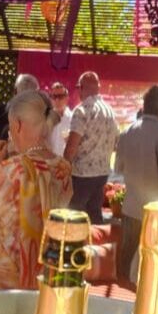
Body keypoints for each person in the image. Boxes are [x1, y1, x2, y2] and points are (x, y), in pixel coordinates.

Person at [0, 90, 72, 290]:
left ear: (18, 125)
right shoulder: (62, 168)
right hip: (45, 275)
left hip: (6, 279)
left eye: (10, 127)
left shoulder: (13, 170)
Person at [114, 85, 158, 284]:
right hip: (155, 208)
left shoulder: (127, 132)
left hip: (130, 205)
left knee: (125, 260)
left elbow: (118, 167)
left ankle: (121, 296)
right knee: (149, 261)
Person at [64, 71, 119, 224]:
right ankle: (95, 247)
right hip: (102, 173)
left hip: (82, 175)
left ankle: (73, 247)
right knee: (94, 215)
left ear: (81, 88)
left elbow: (71, 147)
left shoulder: (82, 110)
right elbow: (116, 141)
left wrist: (63, 167)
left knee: (72, 216)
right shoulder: (110, 112)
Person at [48, 82, 73, 157]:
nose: (57, 100)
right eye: (54, 96)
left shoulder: (73, 119)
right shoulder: (46, 118)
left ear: (67, 98)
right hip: (49, 163)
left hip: (65, 164)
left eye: (60, 96)